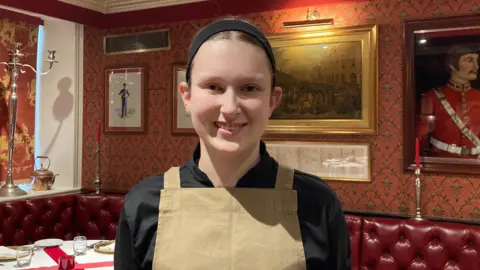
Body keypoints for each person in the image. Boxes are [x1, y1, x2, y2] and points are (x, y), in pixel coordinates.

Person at [114, 17, 351, 270]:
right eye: (213, 86)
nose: (229, 108)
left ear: (273, 100)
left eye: (249, 88)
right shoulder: (143, 204)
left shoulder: (317, 204)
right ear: (187, 96)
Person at [417, 44, 480, 158]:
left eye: (476, 60)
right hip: (443, 161)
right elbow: (422, 135)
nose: (476, 66)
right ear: (452, 65)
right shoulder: (432, 97)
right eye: (469, 60)